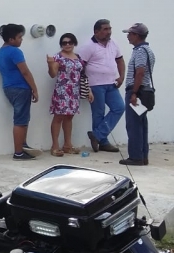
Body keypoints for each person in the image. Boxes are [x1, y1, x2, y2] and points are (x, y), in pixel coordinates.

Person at [77, 19, 125, 153]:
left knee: (119, 107)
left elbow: (120, 60)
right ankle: (103, 142)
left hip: (112, 83)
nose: (108, 32)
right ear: (96, 31)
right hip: (95, 85)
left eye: (109, 29)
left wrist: (121, 77)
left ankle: (97, 135)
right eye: (105, 29)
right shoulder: (88, 46)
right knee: (98, 113)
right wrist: (86, 86)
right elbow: (80, 67)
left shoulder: (113, 43)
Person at [0, 24, 41, 161]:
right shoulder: (15, 51)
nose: (21, 40)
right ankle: (19, 152)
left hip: (8, 87)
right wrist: (35, 88)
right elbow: (25, 72)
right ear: (11, 39)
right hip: (20, 88)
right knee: (20, 120)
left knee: (23, 118)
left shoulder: (0, 52)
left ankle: (24, 147)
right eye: (19, 37)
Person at [46, 33, 91, 157]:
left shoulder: (78, 57)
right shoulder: (58, 57)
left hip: (74, 92)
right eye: (64, 43)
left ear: (74, 43)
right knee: (58, 117)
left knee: (69, 117)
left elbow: (83, 75)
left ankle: (67, 144)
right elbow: (53, 74)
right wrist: (50, 64)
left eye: (70, 42)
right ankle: (54, 146)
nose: (67, 45)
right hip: (62, 91)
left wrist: (88, 90)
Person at [120, 23, 155, 166]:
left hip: (137, 91)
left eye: (130, 34)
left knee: (133, 124)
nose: (128, 36)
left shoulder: (140, 51)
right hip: (144, 90)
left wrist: (134, 93)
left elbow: (140, 72)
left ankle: (135, 156)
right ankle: (143, 155)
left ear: (136, 35)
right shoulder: (147, 50)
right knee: (141, 124)